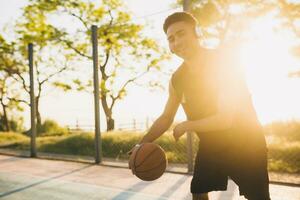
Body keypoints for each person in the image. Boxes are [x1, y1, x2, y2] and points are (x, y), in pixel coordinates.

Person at [129, 12, 271, 200]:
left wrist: (187, 125)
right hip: (212, 145)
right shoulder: (177, 79)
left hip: (246, 143)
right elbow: (166, 117)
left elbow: (225, 119)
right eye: (171, 39)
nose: (177, 42)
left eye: (181, 34)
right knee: (198, 191)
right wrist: (142, 143)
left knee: (259, 198)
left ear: (197, 32)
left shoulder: (224, 63)